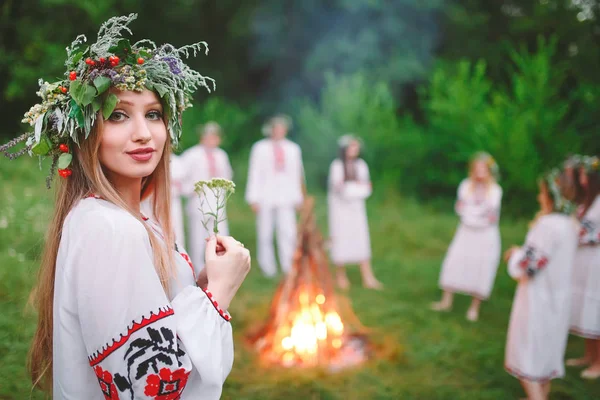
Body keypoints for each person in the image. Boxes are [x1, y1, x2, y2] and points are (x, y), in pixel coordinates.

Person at [1, 14, 250, 399]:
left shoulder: (130, 219)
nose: (143, 133)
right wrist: (219, 294)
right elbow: (154, 387)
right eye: (118, 115)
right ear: (86, 136)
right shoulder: (110, 229)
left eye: (153, 114)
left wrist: (197, 288)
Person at [503, 169, 578, 400]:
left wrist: (515, 255)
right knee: (544, 353)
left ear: (553, 196)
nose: (539, 197)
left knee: (528, 354)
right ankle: (540, 394)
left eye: (542, 193)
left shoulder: (547, 225)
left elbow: (530, 266)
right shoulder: (570, 224)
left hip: (539, 300)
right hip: (558, 298)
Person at [431, 152, 502, 321]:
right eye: (476, 169)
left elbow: (490, 215)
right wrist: (473, 214)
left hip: (485, 236)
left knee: (481, 266)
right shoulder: (465, 185)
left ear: (489, 171)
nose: (479, 173)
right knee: (455, 260)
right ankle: (446, 301)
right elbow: (461, 207)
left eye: (483, 169)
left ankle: (474, 307)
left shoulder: (495, 190)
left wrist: (474, 214)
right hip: (466, 232)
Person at [245, 115, 304, 277]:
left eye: (281, 128)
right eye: (275, 128)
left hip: (286, 195)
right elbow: (254, 173)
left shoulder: (293, 149)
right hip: (265, 195)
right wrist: (253, 198)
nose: (279, 131)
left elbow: (298, 174)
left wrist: (299, 197)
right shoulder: (260, 148)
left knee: (288, 231)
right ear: (270, 130)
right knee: (265, 232)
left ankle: (288, 264)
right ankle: (267, 266)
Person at [327, 134, 382, 290]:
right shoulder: (337, 166)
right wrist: (355, 187)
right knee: (340, 240)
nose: (354, 150)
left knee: (361, 239)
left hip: (357, 212)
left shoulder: (361, 165)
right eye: (351, 146)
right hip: (340, 212)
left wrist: (354, 188)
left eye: (356, 147)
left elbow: (366, 188)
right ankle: (341, 275)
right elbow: (340, 189)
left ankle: (367, 276)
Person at [180, 122, 233, 273]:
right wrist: (191, 189)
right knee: (197, 237)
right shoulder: (191, 155)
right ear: (202, 137)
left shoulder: (221, 155)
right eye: (208, 137)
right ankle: (197, 269)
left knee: (219, 234)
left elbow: (227, 175)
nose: (212, 140)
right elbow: (180, 178)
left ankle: (221, 266)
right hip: (198, 202)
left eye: (215, 137)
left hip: (217, 202)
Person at [566, 155, 600, 379]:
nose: (581, 178)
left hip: (596, 259)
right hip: (582, 260)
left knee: (596, 307)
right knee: (586, 307)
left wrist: (574, 234)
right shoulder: (586, 200)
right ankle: (588, 355)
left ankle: (598, 364)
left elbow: (594, 233)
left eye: (584, 175)